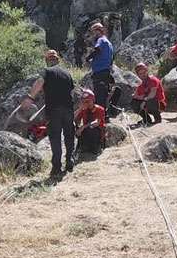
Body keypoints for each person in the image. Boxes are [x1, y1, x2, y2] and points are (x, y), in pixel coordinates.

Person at [22, 49, 75, 177]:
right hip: (68, 108)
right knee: (69, 135)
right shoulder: (67, 73)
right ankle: (69, 161)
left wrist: (30, 98)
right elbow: (72, 91)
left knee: (55, 137)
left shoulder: (47, 71)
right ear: (57, 60)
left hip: (53, 109)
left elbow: (40, 82)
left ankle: (57, 167)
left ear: (47, 60)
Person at [86, 21, 114, 114]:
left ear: (98, 31)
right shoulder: (109, 43)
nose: (93, 35)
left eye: (93, 32)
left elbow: (97, 49)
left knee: (99, 95)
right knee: (104, 94)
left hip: (99, 72)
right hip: (106, 72)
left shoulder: (101, 40)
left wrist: (88, 58)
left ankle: (100, 116)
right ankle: (105, 114)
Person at [74, 89, 105, 157]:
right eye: (84, 101)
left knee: (91, 128)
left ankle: (95, 147)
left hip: (97, 133)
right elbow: (72, 118)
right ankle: (83, 146)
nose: (86, 103)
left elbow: (96, 122)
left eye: (88, 101)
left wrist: (83, 127)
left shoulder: (100, 109)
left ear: (92, 100)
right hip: (86, 132)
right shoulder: (84, 110)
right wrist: (80, 109)